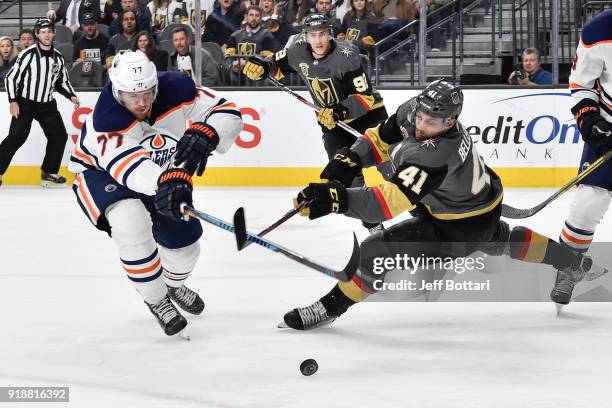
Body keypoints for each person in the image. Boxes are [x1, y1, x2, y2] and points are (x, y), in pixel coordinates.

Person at [278, 79, 607, 330]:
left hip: (459, 224)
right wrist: (349, 158)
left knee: (376, 251)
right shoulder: (419, 109)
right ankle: (571, 263)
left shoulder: (435, 154)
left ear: (450, 123)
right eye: (420, 117)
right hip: (479, 201)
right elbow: (380, 136)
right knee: (501, 238)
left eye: (432, 124)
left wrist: (337, 200)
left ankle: (330, 308)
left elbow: (383, 204)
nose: (421, 126)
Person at [68, 50, 243, 336]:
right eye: (132, 96)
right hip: (101, 174)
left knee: (186, 246)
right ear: (116, 90)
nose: (142, 102)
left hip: (159, 175)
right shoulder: (106, 119)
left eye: (148, 93)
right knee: (130, 222)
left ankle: (172, 286)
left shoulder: (175, 87)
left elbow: (229, 112)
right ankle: (157, 299)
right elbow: (130, 168)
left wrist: (207, 133)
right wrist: (170, 181)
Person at [243, 13, 388, 232]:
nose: (318, 40)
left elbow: (365, 97)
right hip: (332, 124)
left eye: (322, 34)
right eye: (313, 35)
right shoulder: (296, 50)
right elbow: (275, 65)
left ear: (330, 34)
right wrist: (262, 67)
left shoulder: (347, 55)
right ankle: (374, 227)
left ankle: (422, 210)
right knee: (345, 175)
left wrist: (338, 111)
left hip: (368, 117)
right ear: (306, 36)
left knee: (390, 165)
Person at [549, 9, 612, 308]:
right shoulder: (599, 29)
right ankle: (568, 268)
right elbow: (582, 83)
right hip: (610, 127)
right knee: (587, 204)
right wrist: (590, 121)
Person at [0, 19, 79, 188]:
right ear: (37, 34)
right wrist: (13, 101)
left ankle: (49, 173)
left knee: (59, 136)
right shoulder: (27, 54)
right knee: (16, 137)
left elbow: (61, 81)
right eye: (43, 31)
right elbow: (11, 78)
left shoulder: (58, 57)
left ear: (54, 33)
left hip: (47, 104)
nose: (47, 34)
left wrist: (71, 95)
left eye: (50, 31)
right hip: (25, 102)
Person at [224, 5, 277, 77]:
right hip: (237, 73)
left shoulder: (267, 36)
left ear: (260, 18)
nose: (254, 18)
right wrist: (233, 64)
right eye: (251, 15)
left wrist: (246, 63)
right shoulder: (235, 35)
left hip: (257, 73)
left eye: (257, 15)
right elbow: (228, 56)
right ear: (246, 17)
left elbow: (267, 58)